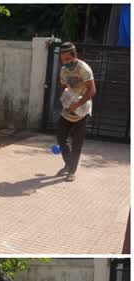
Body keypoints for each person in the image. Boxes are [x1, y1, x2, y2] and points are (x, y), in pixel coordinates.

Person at [56, 42, 96, 182]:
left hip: (82, 110)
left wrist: (78, 104)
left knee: (77, 143)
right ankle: (68, 163)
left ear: (75, 55)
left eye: (68, 60)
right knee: (61, 137)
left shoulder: (84, 69)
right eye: (63, 60)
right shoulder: (64, 70)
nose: (65, 63)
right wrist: (65, 99)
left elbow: (92, 90)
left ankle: (71, 171)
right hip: (68, 108)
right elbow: (63, 86)